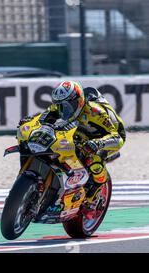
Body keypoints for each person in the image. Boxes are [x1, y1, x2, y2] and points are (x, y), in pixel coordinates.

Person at [20, 81, 126, 211]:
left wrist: (99, 143)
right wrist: (30, 121)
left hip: (109, 136)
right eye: (60, 105)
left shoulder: (95, 113)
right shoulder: (58, 107)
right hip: (81, 132)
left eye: (68, 105)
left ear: (79, 102)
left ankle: (93, 197)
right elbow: (43, 118)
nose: (64, 110)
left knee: (94, 162)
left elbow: (117, 138)